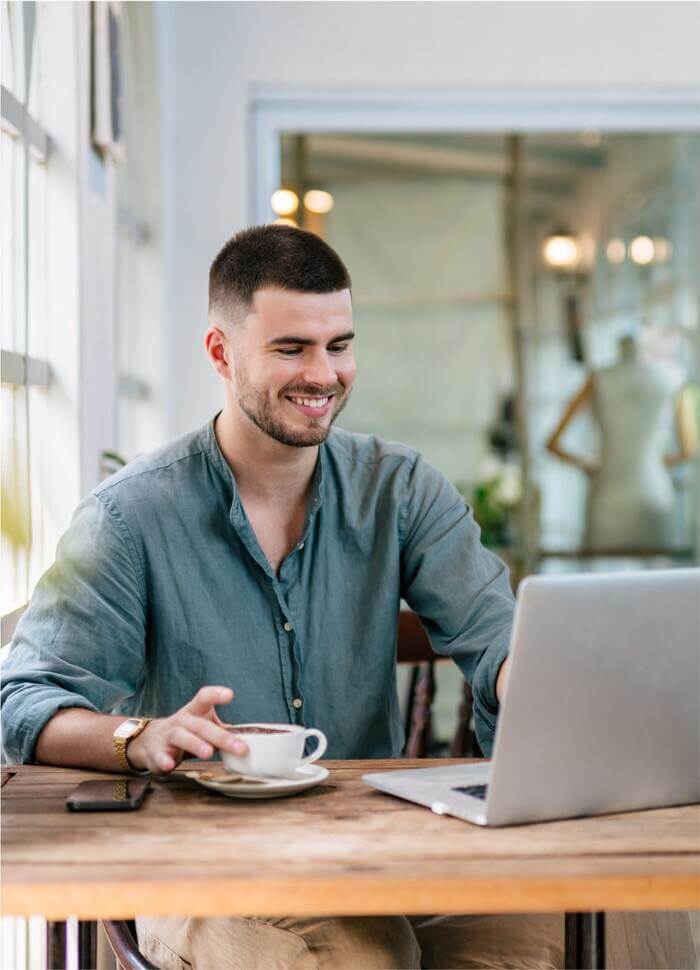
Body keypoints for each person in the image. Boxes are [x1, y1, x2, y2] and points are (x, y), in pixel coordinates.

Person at [2, 225, 563, 969]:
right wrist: (138, 738)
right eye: (291, 348)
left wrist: (537, 682)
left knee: (600, 927)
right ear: (220, 353)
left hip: (381, 858)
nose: (324, 374)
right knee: (356, 958)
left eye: (339, 345)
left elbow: (496, 639)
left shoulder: (399, 488)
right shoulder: (129, 517)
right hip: (199, 870)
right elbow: (24, 699)